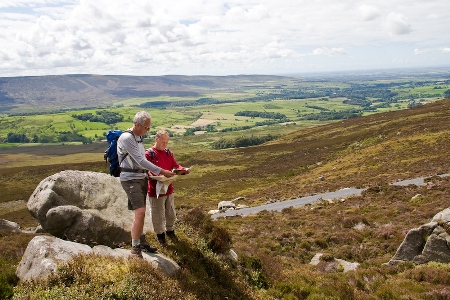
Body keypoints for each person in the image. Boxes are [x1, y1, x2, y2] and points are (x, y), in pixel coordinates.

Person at [117, 111, 174, 258]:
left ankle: (141, 241)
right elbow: (140, 161)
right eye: (146, 128)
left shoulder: (138, 138)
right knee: (140, 212)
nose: (147, 131)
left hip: (141, 177)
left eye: (149, 128)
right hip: (130, 179)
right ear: (137, 124)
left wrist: (150, 175)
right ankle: (135, 248)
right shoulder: (127, 138)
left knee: (140, 213)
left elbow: (140, 161)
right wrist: (162, 171)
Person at [145, 129, 190, 246]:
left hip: (168, 188)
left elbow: (175, 165)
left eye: (166, 142)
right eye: (162, 142)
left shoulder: (168, 153)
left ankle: (170, 231)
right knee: (158, 214)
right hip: (156, 191)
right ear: (156, 139)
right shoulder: (149, 154)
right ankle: (160, 237)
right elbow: (148, 172)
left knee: (170, 213)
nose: (164, 145)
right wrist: (160, 175)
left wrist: (183, 169)